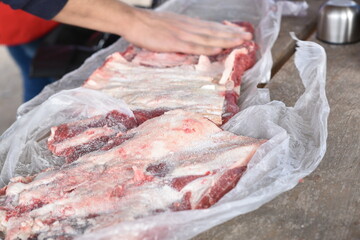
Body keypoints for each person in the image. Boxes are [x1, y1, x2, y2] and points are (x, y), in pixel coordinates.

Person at [1, 0, 252, 100]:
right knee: (41, 61)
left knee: (32, 65)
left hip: (21, 22)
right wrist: (130, 20)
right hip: (34, 15)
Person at [0, 2, 59, 101]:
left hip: (9, 27)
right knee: (60, 80)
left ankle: (28, 115)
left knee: (32, 74)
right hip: (35, 21)